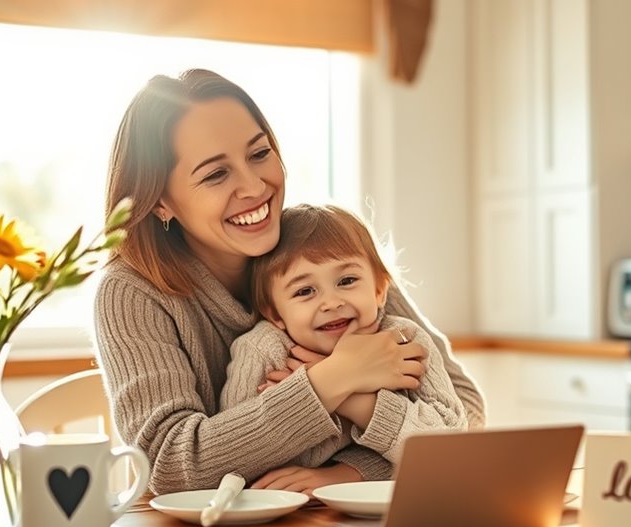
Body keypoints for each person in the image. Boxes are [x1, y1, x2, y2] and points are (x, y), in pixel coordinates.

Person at [94, 68, 485, 496]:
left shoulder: (323, 251)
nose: (254, 185)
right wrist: (333, 379)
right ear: (161, 202)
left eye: (259, 154)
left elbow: (464, 408)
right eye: (215, 174)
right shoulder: (130, 292)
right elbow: (169, 464)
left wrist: (350, 474)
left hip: (328, 523)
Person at [220, 204, 468, 469]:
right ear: (275, 314)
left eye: (347, 281)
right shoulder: (262, 350)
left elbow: (451, 446)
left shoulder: (407, 340)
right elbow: (236, 456)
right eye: (305, 291)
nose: (331, 302)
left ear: (379, 290)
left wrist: (353, 402)